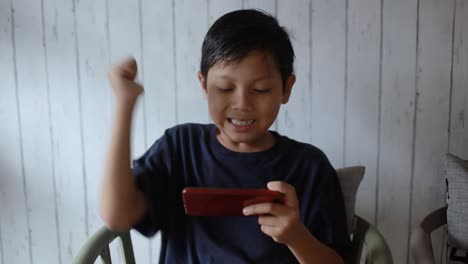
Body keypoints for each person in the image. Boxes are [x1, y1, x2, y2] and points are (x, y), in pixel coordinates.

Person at [100, 9, 351, 264]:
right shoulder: (180, 147)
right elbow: (117, 215)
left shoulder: (309, 166)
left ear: (286, 88)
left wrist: (297, 237)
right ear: (203, 85)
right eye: (225, 88)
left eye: (261, 89)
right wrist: (125, 102)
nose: (242, 104)